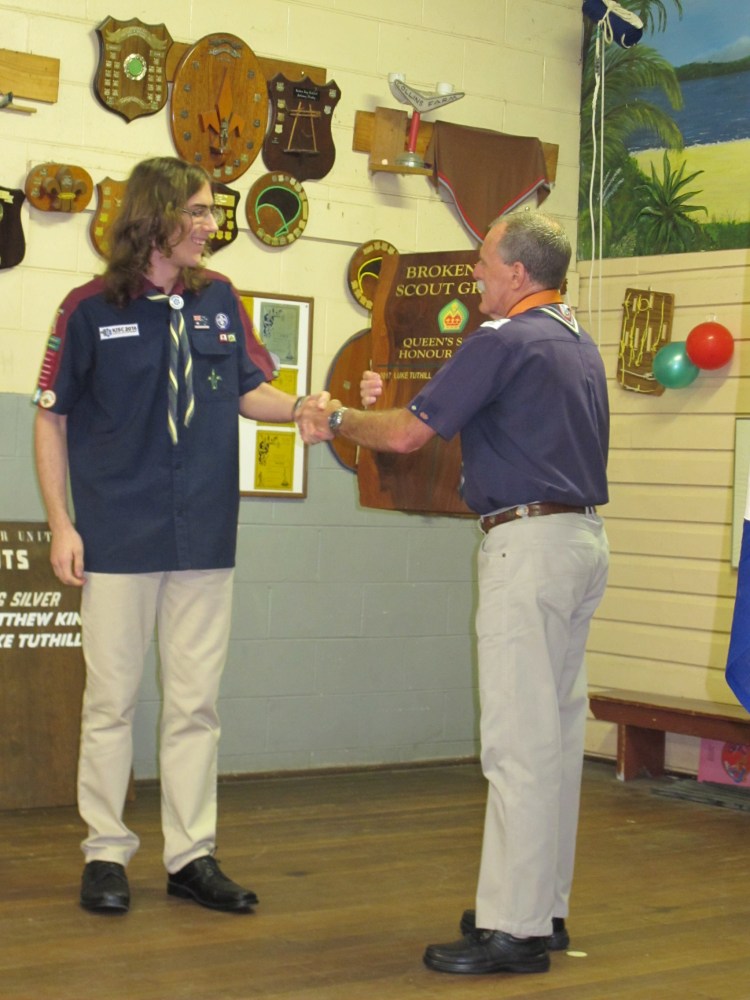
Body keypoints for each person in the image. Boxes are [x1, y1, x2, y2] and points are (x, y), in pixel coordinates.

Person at [300, 211, 610, 977]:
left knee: (517, 743)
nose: (474, 277)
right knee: (557, 739)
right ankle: (542, 906)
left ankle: (513, 930)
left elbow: (409, 435)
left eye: (482, 264)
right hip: (580, 543)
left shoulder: (504, 340)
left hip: (528, 549)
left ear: (517, 274)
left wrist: (336, 416)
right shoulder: (576, 343)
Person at [33, 156, 322, 916]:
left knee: (196, 704)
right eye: (197, 211)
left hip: (203, 533)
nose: (209, 224)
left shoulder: (220, 299)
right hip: (117, 536)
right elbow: (50, 418)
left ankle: (192, 855)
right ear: (155, 217)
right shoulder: (88, 308)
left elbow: (251, 390)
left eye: (210, 212)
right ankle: (105, 853)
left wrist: (302, 412)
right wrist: (62, 524)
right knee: (112, 701)